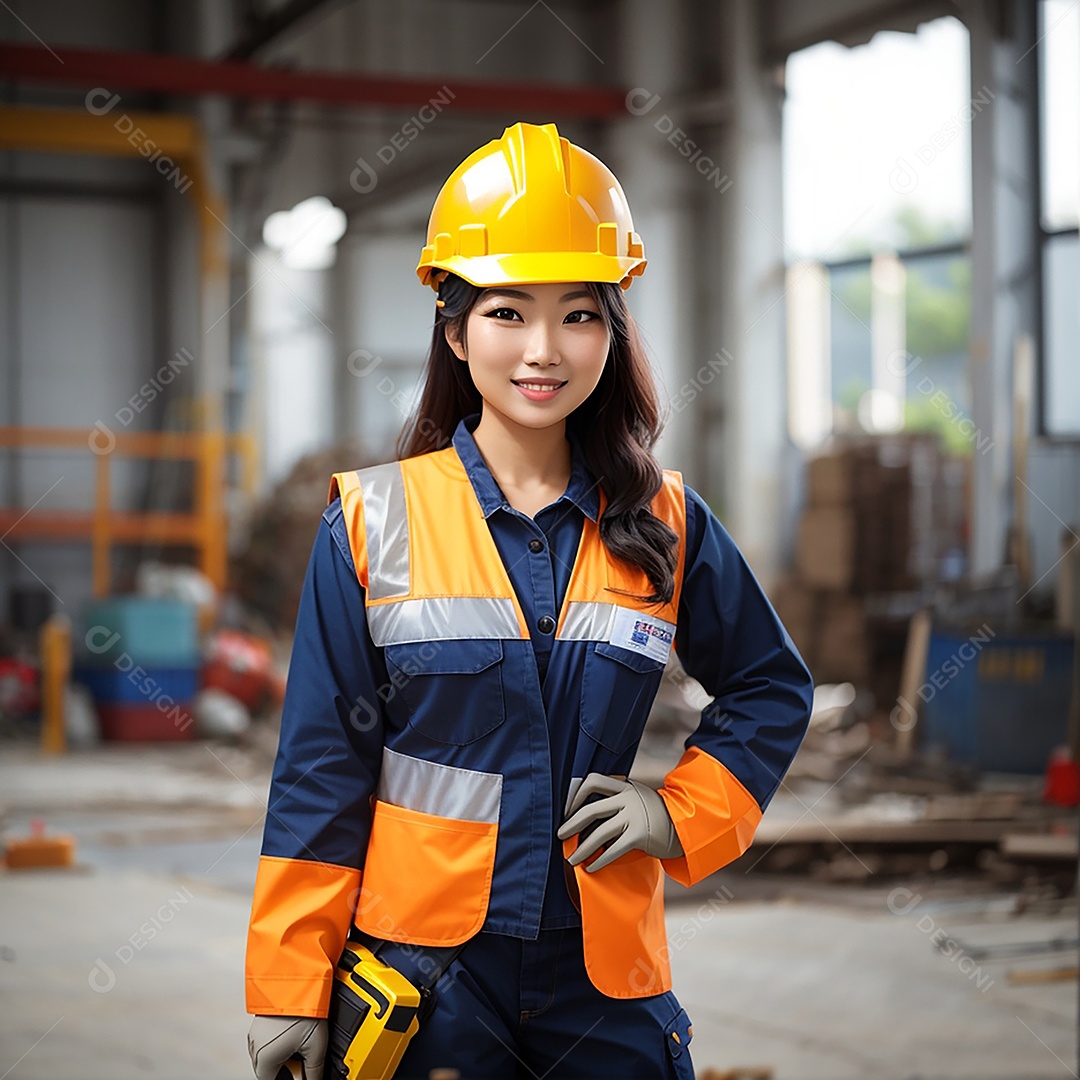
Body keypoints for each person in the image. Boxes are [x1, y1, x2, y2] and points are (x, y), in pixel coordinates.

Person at [245, 121, 814, 1080]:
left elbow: (769, 687)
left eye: (579, 315)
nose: (544, 350)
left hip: (604, 977)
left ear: (612, 331)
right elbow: (321, 766)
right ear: (454, 329)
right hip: (424, 980)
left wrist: (678, 811)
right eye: (509, 312)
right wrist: (287, 985)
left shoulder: (666, 520)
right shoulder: (373, 522)